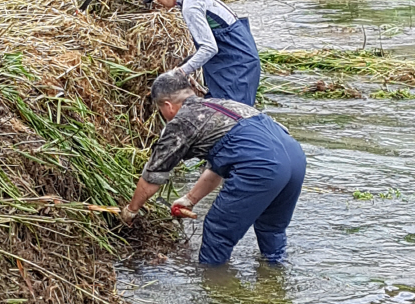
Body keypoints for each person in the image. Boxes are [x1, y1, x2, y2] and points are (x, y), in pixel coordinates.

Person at [119, 71, 306, 267]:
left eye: (160, 110)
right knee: (271, 228)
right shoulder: (223, 105)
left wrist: (131, 210)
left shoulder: (182, 122)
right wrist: (190, 199)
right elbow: (221, 164)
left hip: (261, 166)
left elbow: (152, 177)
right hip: (295, 157)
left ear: (167, 105)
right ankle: (274, 276)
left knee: (217, 231)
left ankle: (215, 286)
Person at [143, 0, 261, 106]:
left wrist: (182, 72)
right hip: (240, 61)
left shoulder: (190, 6)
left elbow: (209, 48)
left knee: (232, 118)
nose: (158, 2)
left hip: (235, 69)